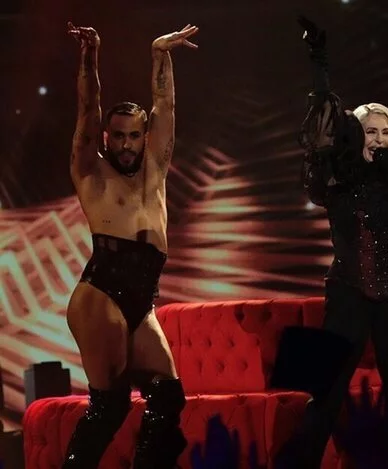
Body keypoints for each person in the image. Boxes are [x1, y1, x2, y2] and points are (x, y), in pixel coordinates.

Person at [278, 16, 388, 469]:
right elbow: (323, 119)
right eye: (369, 131)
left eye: (385, 131)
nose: (378, 138)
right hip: (346, 293)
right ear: (354, 137)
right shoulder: (337, 176)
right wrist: (319, 61)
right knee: (326, 393)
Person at [62, 22, 198, 469]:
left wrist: (160, 53)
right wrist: (90, 55)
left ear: (146, 136)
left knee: (168, 395)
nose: (125, 144)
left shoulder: (155, 169)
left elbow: (165, 104)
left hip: (142, 297)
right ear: (106, 137)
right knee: (110, 405)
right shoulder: (91, 171)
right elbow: (88, 106)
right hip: (101, 291)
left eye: (134, 135)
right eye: (117, 136)